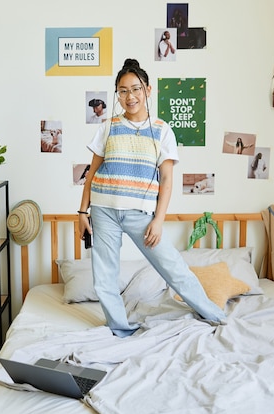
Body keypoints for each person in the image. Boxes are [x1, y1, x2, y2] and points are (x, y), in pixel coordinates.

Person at [78, 58, 226, 338]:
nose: (129, 96)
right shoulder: (108, 127)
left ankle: (215, 316)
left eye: (135, 89)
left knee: (174, 267)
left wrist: (158, 220)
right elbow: (92, 172)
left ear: (147, 90)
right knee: (104, 276)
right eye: (122, 91)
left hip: (140, 213)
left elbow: (167, 180)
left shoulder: (161, 130)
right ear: (116, 94)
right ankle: (120, 330)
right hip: (103, 208)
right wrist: (82, 212)